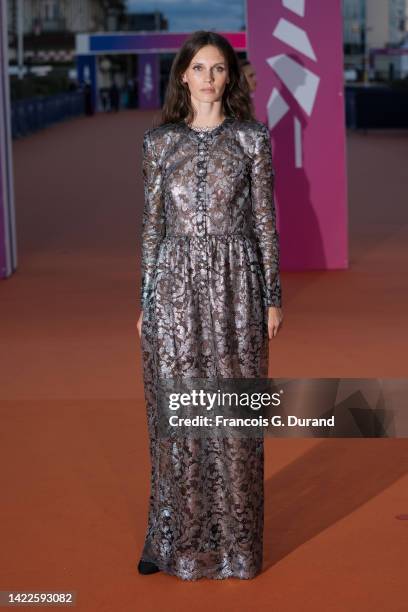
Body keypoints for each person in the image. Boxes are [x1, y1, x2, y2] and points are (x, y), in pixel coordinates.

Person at [137, 30, 283, 581]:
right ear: (182, 75)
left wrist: (272, 297)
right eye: (198, 67)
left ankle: (236, 546)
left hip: (237, 285)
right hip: (173, 286)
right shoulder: (157, 143)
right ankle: (172, 535)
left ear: (231, 77)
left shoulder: (252, 140)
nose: (208, 78)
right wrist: (145, 299)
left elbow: (265, 223)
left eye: (218, 68)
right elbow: (151, 230)